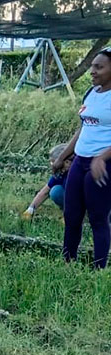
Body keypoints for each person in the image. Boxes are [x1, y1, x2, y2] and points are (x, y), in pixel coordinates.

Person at [57, 49, 111, 268]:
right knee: (72, 216)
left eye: (99, 67)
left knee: (98, 218)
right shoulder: (91, 91)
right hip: (80, 160)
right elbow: (83, 128)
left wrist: (102, 157)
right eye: (93, 66)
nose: (93, 71)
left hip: (103, 164)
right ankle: (67, 262)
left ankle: (99, 268)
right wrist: (63, 156)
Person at [22, 143, 72, 219]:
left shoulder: (80, 172)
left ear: (66, 162)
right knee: (56, 191)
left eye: (54, 162)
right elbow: (44, 192)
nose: (53, 166)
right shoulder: (60, 174)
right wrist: (30, 210)